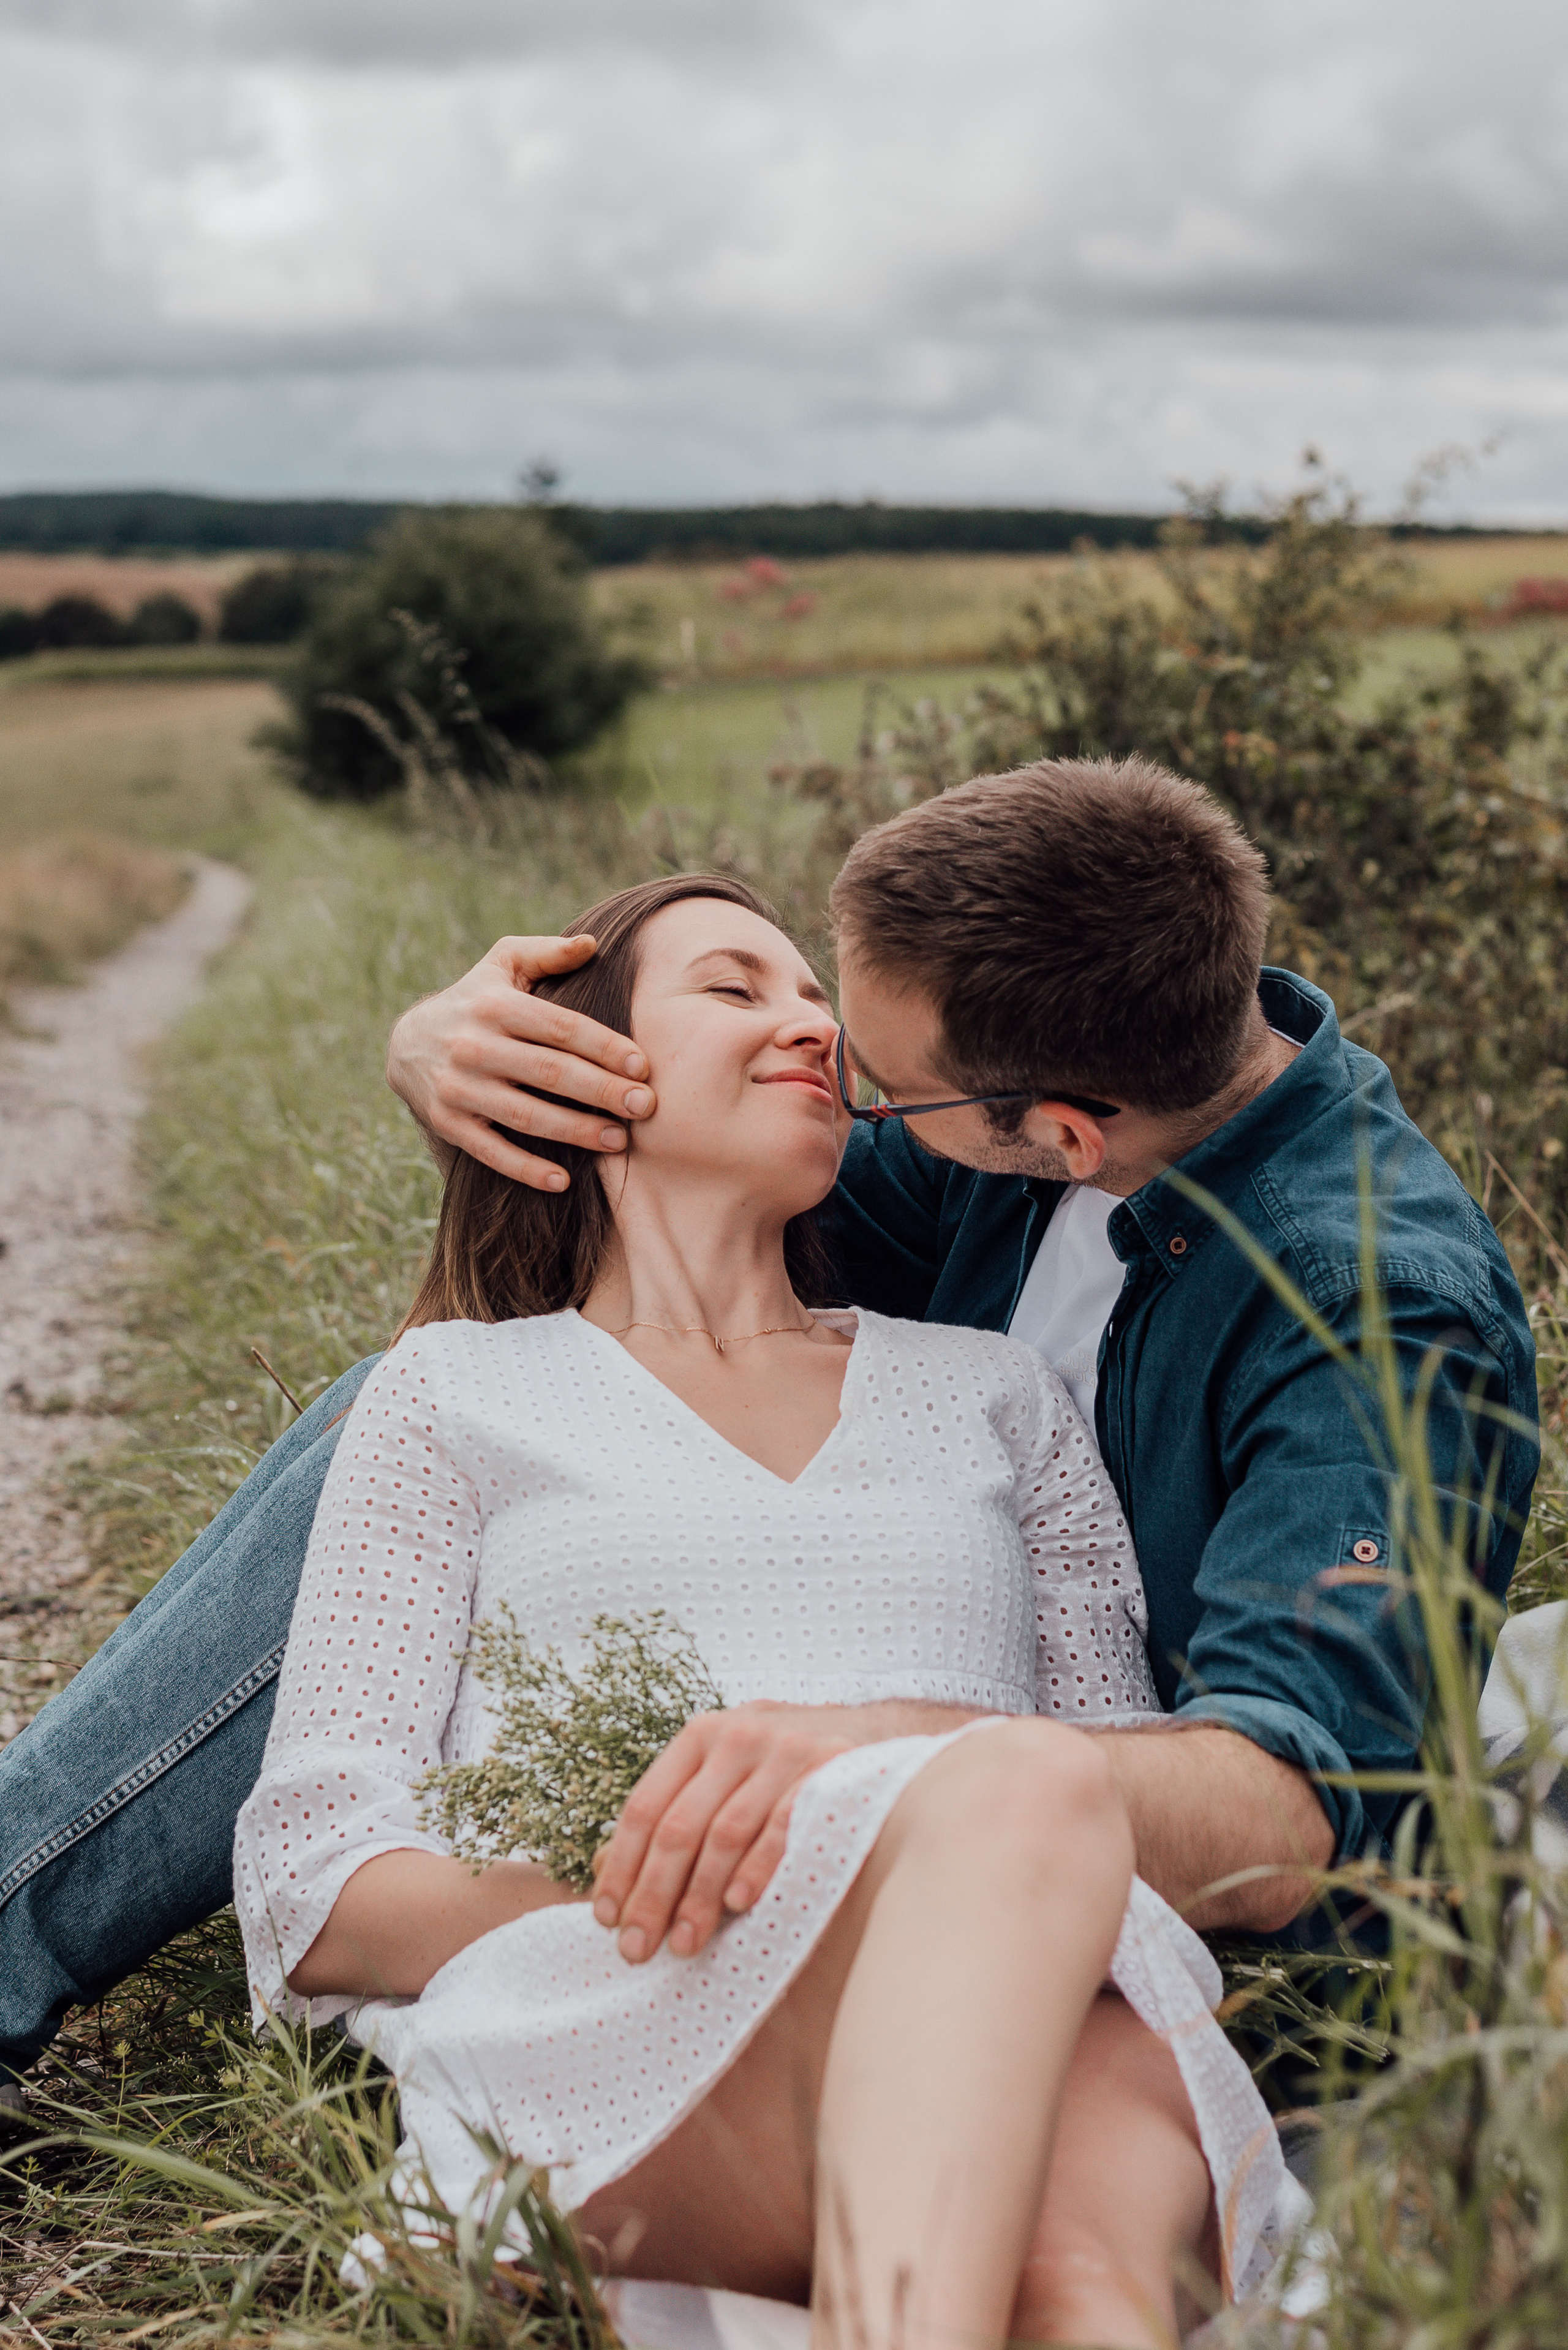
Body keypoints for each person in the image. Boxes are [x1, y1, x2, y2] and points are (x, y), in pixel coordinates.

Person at [0, 755, 1537, 2120]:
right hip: (836, 1836)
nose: (828, 1066)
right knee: (413, 1408)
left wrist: (875, 1763)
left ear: (1065, 1132)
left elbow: (1282, 1823)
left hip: (1165, 1935)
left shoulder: (1373, 1313)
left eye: (880, 1086)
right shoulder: (1012, 1120)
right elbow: (672, 1205)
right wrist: (452, 1048)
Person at [233, 872, 1297, 2347]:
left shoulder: (990, 1391)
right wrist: (741, 1868)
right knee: (1016, 1784)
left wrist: (907, 1839)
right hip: (637, 2005)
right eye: (737, 987)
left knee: (1080, 2280)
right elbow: (310, 1881)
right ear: (586, 1067)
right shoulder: (455, 1392)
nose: (810, 1024)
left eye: (815, 998)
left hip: (1039, 1988)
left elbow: (1113, 1780)